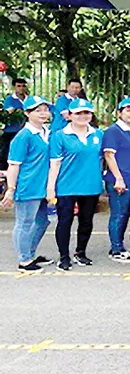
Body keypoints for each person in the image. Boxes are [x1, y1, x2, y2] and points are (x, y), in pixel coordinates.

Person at [47, 98, 104, 272]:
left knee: (86, 221)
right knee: (65, 221)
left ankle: (81, 252)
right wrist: (51, 188)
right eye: (78, 113)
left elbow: (105, 158)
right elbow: (55, 163)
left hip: (91, 185)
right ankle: (64, 256)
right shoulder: (59, 135)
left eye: (86, 112)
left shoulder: (98, 134)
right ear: (70, 115)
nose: (83, 116)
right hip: (66, 186)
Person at [3, 96, 52, 272]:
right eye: (38, 110)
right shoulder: (23, 136)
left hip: (44, 186)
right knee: (25, 222)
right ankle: (24, 260)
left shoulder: (47, 132)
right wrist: (10, 189)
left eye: (45, 109)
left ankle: (30, 253)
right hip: (28, 186)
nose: (43, 113)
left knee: (43, 221)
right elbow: (14, 165)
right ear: (27, 113)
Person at [102, 96, 130, 262]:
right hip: (120, 179)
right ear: (119, 113)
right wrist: (118, 178)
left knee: (127, 212)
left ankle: (120, 246)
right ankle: (116, 249)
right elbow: (109, 155)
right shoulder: (113, 131)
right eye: (129, 110)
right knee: (119, 214)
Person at [0, 77, 28, 170]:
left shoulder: (29, 99)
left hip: (25, 129)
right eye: (18, 86)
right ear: (14, 87)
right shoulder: (9, 100)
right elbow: (8, 112)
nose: (21, 88)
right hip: (11, 130)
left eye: (23, 86)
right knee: (7, 152)